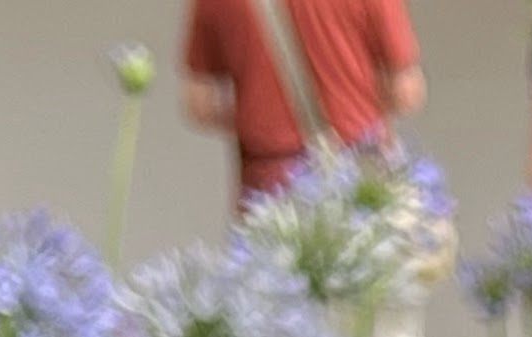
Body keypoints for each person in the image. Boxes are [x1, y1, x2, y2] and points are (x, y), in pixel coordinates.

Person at [184, 0, 430, 337]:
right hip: (363, 182)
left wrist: (257, 113)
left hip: (271, 184)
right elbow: (407, 89)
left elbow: (199, 103)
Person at [180, 0, 424, 205]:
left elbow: (201, 105)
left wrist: (257, 118)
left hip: (270, 176)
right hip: (360, 168)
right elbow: (405, 93)